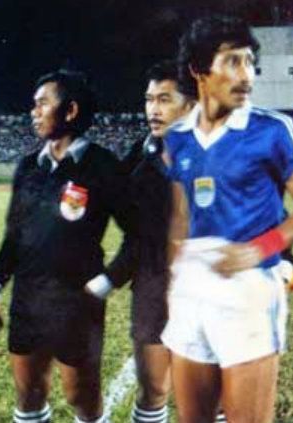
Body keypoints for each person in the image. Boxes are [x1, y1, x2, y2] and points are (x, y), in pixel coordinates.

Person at [162, 15, 293, 423]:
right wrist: (172, 265)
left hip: (249, 290)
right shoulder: (178, 137)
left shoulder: (273, 130)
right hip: (191, 291)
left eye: (250, 62)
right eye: (233, 62)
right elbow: (181, 213)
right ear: (199, 70)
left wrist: (259, 251)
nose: (247, 75)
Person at [0, 69, 136, 423]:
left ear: (70, 111)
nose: (33, 112)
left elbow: (137, 235)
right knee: (29, 392)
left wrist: (106, 281)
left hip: (76, 302)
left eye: (42, 104)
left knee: (80, 395)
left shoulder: (103, 166)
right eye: (33, 105)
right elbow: (13, 235)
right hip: (28, 298)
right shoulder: (27, 167)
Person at [119, 60, 194, 423]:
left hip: (204, 286)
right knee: (152, 391)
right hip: (151, 285)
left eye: (164, 99)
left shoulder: (221, 153)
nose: (153, 109)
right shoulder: (137, 156)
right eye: (149, 99)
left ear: (191, 105)